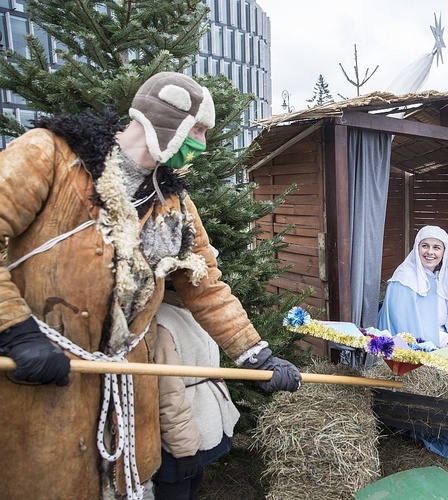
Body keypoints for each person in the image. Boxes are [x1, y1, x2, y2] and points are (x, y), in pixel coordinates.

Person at [0, 72, 300, 500]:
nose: (201, 142)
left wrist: (256, 353)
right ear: (165, 118)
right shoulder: (49, 155)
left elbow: (206, 285)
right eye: (197, 129)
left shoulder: (173, 204)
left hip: (126, 386)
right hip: (39, 379)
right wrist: (15, 330)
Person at [150, 284, 241, 500]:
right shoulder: (162, 321)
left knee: (192, 487)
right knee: (175, 490)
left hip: (198, 424)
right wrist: (184, 451)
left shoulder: (192, 310)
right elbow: (168, 393)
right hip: (177, 440)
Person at [378, 225, 448, 358]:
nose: (430, 252)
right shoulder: (403, 281)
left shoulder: (439, 279)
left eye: (436, 247)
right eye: (425, 246)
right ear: (416, 248)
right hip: (415, 350)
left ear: (444, 252)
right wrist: (444, 339)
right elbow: (404, 329)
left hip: (439, 343)